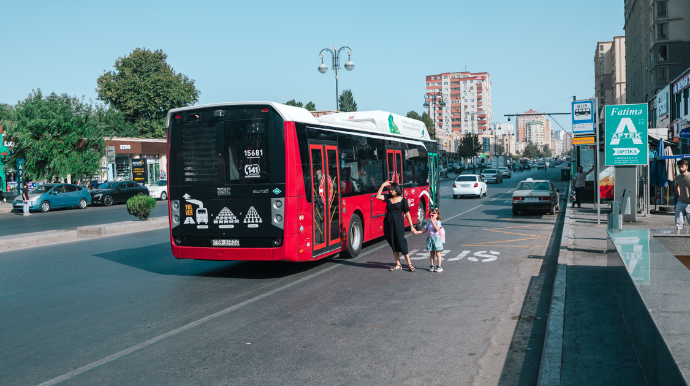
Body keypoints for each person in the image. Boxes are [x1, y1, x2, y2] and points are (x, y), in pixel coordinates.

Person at [375, 180, 420, 271]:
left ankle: (409, 263)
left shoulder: (403, 200)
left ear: (397, 190)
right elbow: (377, 196)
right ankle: (398, 264)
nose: (390, 191)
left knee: (400, 241)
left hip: (398, 223)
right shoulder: (387, 198)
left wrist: (411, 226)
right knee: (392, 242)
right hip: (388, 223)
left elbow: (407, 213)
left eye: (392, 189)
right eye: (390, 189)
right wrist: (383, 185)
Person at [420, 208, 444, 272]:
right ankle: (432, 265)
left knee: (438, 253)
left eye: (432, 216)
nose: (431, 217)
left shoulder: (438, 222)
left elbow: (437, 229)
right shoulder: (428, 223)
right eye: (429, 216)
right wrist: (417, 232)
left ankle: (439, 266)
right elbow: (424, 230)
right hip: (430, 239)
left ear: (437, 215)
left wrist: (433, 223)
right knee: (431, 253)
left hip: (437, 239)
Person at [674, 159, 690, 230]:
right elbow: (676, 187)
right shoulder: (677, 178)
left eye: (682, 166)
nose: (680, 168)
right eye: (679, 167)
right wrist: (679, 197)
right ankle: (679, 235)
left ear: (687, 167)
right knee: (678, 221)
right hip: (681, 202)